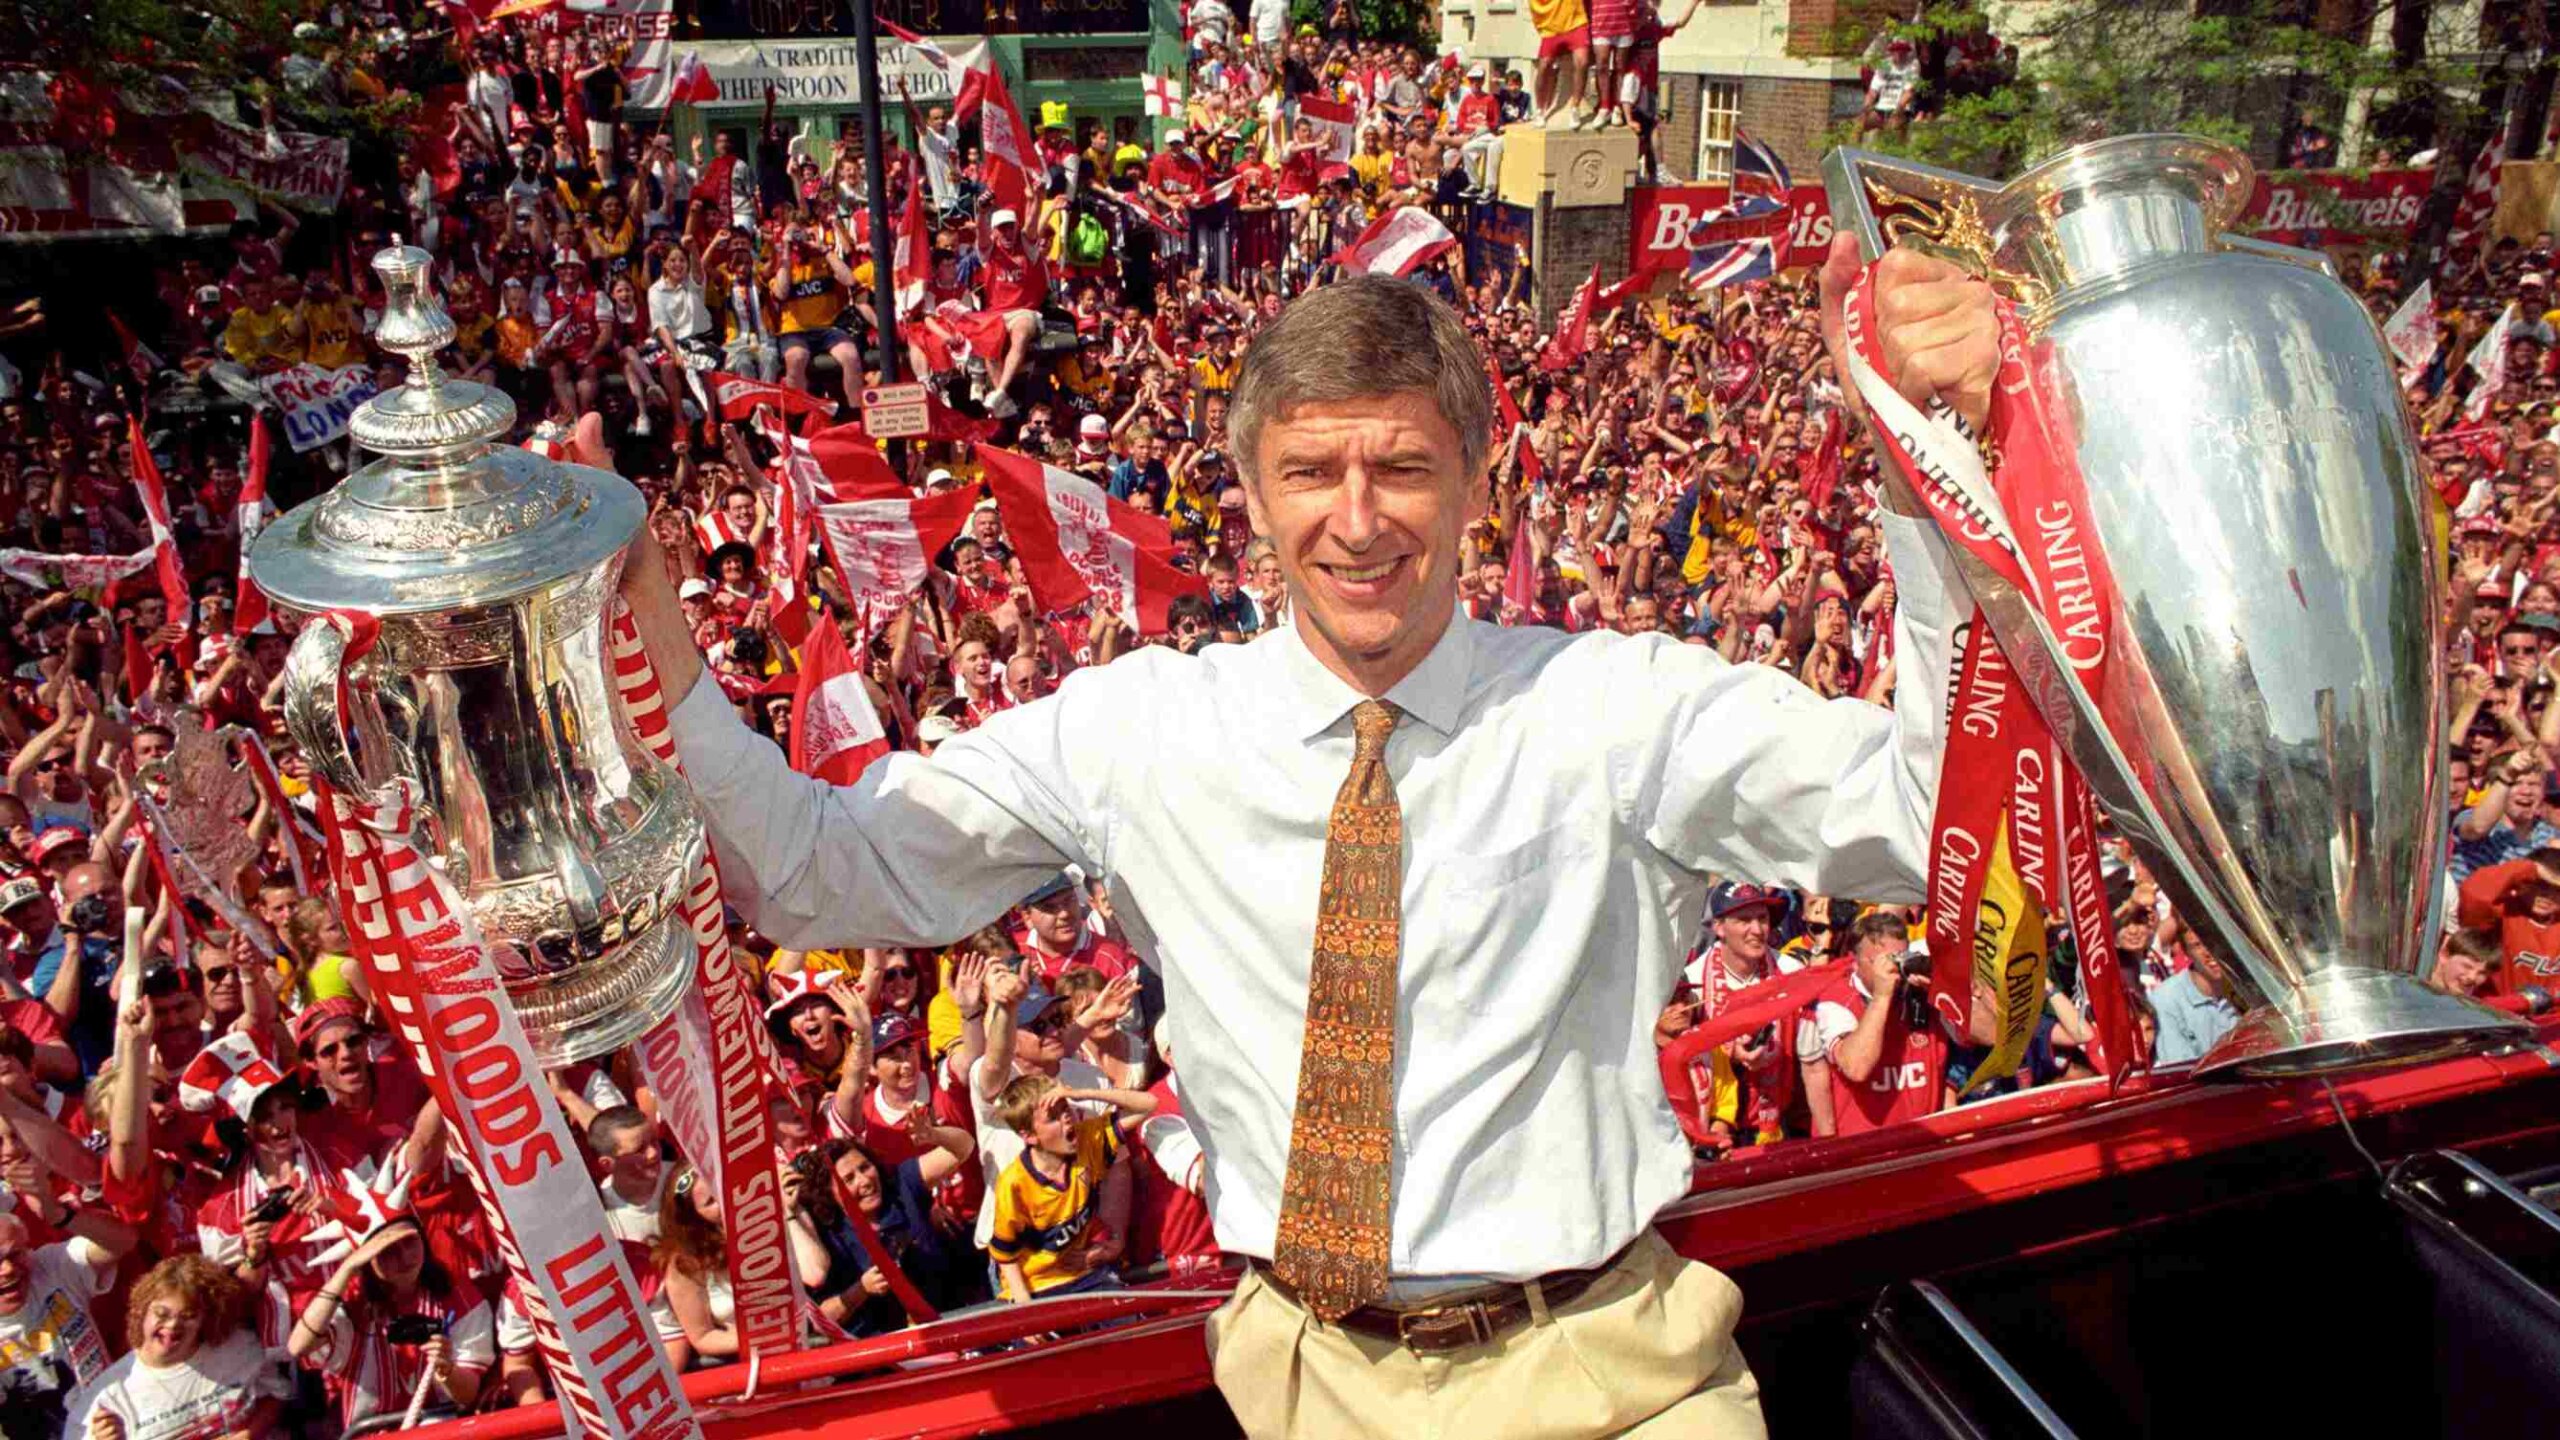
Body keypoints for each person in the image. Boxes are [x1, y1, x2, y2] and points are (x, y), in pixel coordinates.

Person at [616, 243, 1997, 1436]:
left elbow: (1926, 817)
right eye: (1311, 471)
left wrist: (1925, 457)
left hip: (1618, 1381)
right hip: (1308, 1392)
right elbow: (811, 867)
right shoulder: (1140, 733)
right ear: (1251, 499)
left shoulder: (1613, 708)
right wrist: (640, 621)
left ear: (1476, 482)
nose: (1356, 518)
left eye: (1401, 465)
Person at [63, 1255, 286, 1440]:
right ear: (142, 1313)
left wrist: (249, 1434)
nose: (172, 1325)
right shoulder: (105, 1400)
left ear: (206, 1319)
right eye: (161, 1314)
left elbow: (277, 1395)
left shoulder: (238, 1347)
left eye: (188, 1316)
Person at [986, 1073, 1156, 1302]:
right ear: (1029, 1136)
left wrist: (1080, 1093)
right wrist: (1025, 1308)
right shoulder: (1014, 1184)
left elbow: (1149, 1105)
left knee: (1127, 1321)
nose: (1066, 1118)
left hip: (1085, 1274)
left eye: (1065, 1108)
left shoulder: (1089, 1138)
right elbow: (1005, 1256)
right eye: (1053, 1117)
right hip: (1037, 1285)